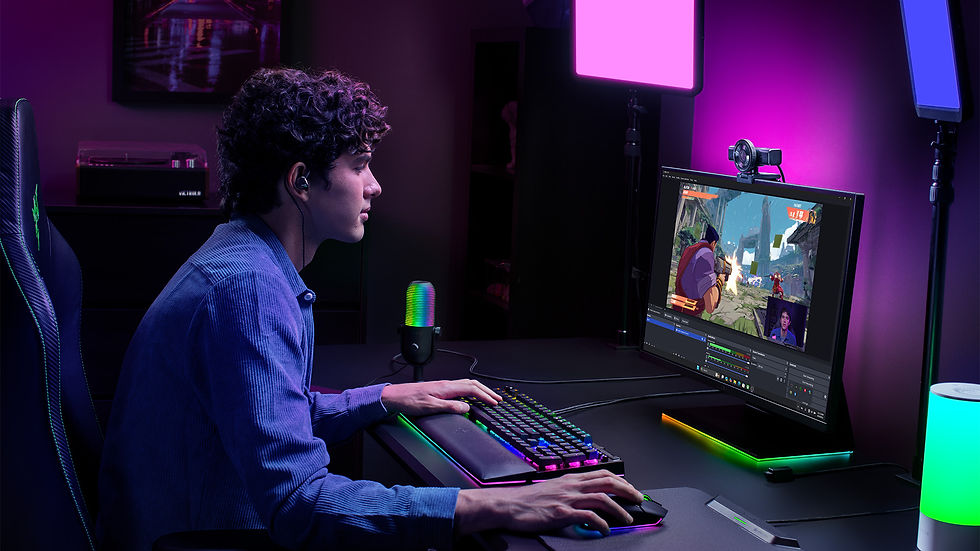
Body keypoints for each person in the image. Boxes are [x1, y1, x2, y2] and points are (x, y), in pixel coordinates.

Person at [97, 68, 642, 551]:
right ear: (301, 180)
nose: (375, 186)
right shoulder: (251, 291)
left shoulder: (239, 256)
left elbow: (265, 418)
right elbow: (300, 505)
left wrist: (381, 397)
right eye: (360, 165)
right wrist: (494, 505)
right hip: (200, 539)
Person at [671, 224, 727, 316]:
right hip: (690, 312)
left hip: (676, 306)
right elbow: (710, 306)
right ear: (713, 243)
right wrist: (720, 280)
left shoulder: (690, 249)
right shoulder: (707, 254)